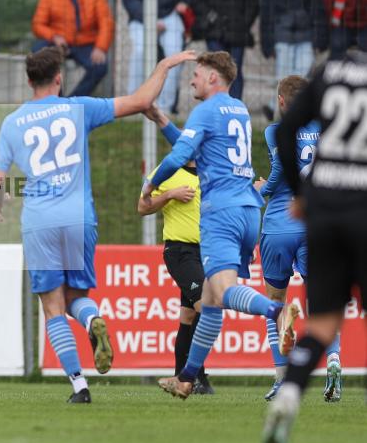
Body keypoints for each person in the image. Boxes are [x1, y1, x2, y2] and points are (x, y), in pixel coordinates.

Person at [0, 46, 197, 403]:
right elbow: (142, 99)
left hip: (39, 219)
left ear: (28, 81)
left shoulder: (12, 122)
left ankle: (79, 387)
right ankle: (92, 321)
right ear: (59, 79)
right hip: (78, 217)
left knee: (53, 306)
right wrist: (165, 65)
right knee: (77, 299)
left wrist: (0, 200)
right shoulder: (78, 108)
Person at [142, 52, 287, 400]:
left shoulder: (205, 110)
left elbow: (179, 157)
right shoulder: (237, 109)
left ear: (213, 78)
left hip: (221, 214)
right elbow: (191, 146)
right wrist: (162, 120)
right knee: (209, 302)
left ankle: (277, 312)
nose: (191, 80)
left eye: (196, 74)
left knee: (221, 293)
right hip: (249, 212)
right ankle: (186, 378)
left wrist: (150, 186)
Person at [262, 51, 367, 443]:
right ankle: (329, 371)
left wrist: (301, 194)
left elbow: (285, 134)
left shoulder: (327, 74)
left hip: (320, 213)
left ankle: (287, 393)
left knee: (320, 321)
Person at [253, 76, 338, 402]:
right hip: (315, 224)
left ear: (282, 101)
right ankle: (333, 361)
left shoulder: (275, 130)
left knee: (274, 303)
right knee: (324, 302)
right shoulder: (328, 130)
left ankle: (280, 379)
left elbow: (278, 170)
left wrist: (264, 190)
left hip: (279, 226)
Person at [137, 106, 212, 395]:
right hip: (180, 252)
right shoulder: (167, 172)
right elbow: (141, 207)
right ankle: (193, 377)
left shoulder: (210, 171)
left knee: (188, 317)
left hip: (206, 253)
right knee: (206, 308)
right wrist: (169, 195)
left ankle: (188, 378)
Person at [31, 0, 114, 96]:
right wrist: (54, 37)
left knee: (100, 66)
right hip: (58, 43)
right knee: (39, 54)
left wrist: (100, 47)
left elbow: (106, 22)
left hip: (86, 44)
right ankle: (57, 100)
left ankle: (72, 103)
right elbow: (38, 24)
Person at [259, 0, 328, 120]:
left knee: (303, 74)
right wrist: (267, 44)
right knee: (283, 76)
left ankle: (296, 109)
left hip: (306, 38)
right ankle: (277, 108)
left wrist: (319, 39)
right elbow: (266, 19)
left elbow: (318, 13)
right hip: (282, 39)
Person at [192, 0, 259, 100]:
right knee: (214, 69)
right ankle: (215, 103)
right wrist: (210, 18)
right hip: (214, 31)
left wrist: (243, 23)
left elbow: (253, 4)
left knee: (234, 71)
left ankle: (235, 104)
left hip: (237, 33)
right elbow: (198, 1)